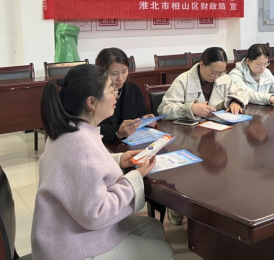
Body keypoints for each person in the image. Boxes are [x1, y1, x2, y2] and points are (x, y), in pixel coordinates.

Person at [32, 65, 174, 260]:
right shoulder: (80, 145)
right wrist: (135, 177)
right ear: (91, 102)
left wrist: (119, 159)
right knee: (165, 252)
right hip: (72, 247)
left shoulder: (71, 129)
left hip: (68, 228)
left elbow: (86, 168)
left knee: (153, 228)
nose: (116, 94)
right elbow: (97, 213)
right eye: (111, 89)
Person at [158, 47, 248, 120]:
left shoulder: (224, 78)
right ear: (202, 65)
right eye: (213, 72)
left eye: (221, 72)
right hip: (191, 132)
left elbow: (242, 93)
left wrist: (235, 102)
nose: (217, 76)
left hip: (218, 130)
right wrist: (190, 109)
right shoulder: (183, 80)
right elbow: (164, 110)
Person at [95, 47, 152, 143]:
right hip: (103, 145)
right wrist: (117, 132)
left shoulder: (134, 90)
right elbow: (89, 128)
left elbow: (141, 115)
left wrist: (144, 120)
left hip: (132, 144)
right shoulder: (94, 94)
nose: (120, 78)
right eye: (114, 74)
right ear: (102, 72)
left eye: (124, 71)